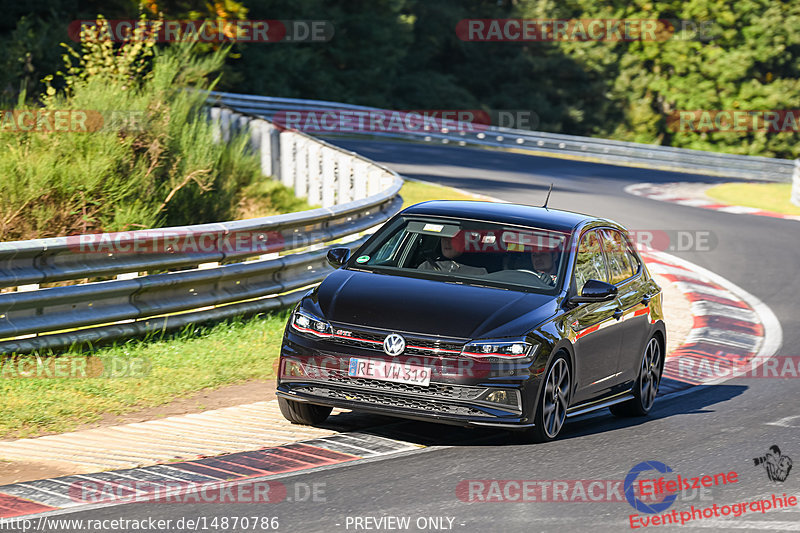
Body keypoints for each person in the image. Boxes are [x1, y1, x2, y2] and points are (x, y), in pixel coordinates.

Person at [418, 235, 487, 275]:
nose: (447, 242)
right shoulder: (426, 267)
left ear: (465, 242)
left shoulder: (479, 273)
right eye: (444, 237)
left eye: (453, 238)